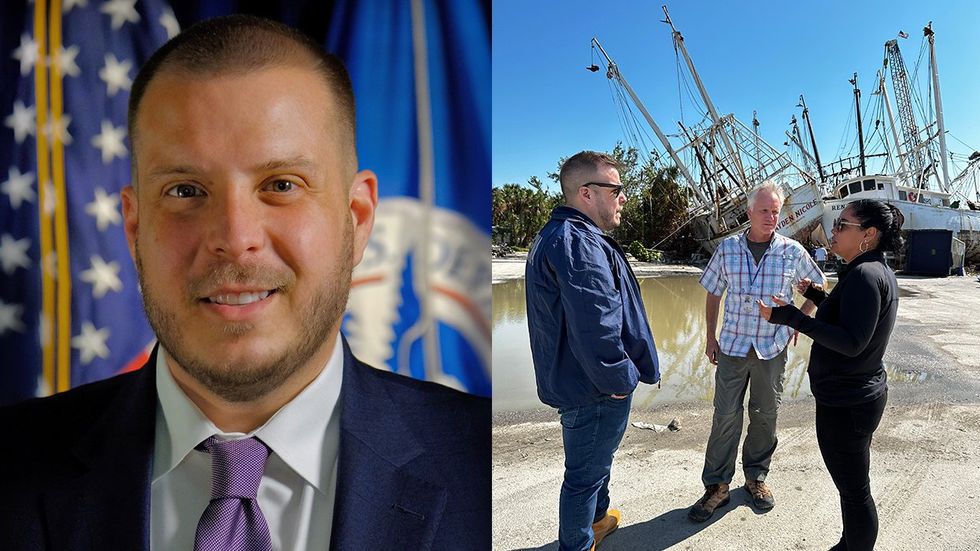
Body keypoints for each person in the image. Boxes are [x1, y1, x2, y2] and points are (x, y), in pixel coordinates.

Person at [0, 15, 490, 550]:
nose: (235, 239)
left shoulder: (478, 461)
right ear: (135, 226)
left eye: (281, 184)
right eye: (185, 191)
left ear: (357, 217)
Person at [525, 151, 659, 551]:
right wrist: (618, 380)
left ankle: (598, 521)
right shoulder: (577, 243)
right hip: (594, 389)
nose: (622, 198)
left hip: (581, 381)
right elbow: (596, 322)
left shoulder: (564, 235)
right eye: (615, 189)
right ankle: (579, 543)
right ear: (586, 192)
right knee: (583, 477)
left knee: (596, 466)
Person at [760, 199, 903, 551]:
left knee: (855, 492)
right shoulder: (866, 270)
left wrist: (791, 316)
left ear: (868, 235)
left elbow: (852, 342)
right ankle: (849, 543)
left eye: (842, 225)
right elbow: (848, 319)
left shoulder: (866, 275)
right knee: (851, 486)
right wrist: (815, 295)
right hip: (851, 397)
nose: (833, 230)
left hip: (848, 403)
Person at [689, 181, 826, 523]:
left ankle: (756, 478)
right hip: (733, 346)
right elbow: (712, 292)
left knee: (766, 416)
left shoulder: (792, 251)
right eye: (763, 210)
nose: (770, 216)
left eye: (775, 211)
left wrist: (797, 320)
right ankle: (717, 487)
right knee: (725, 417)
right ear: (750, 212)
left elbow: (821, 286)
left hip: (772, 348)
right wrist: (709, 336)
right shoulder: (728, 249)